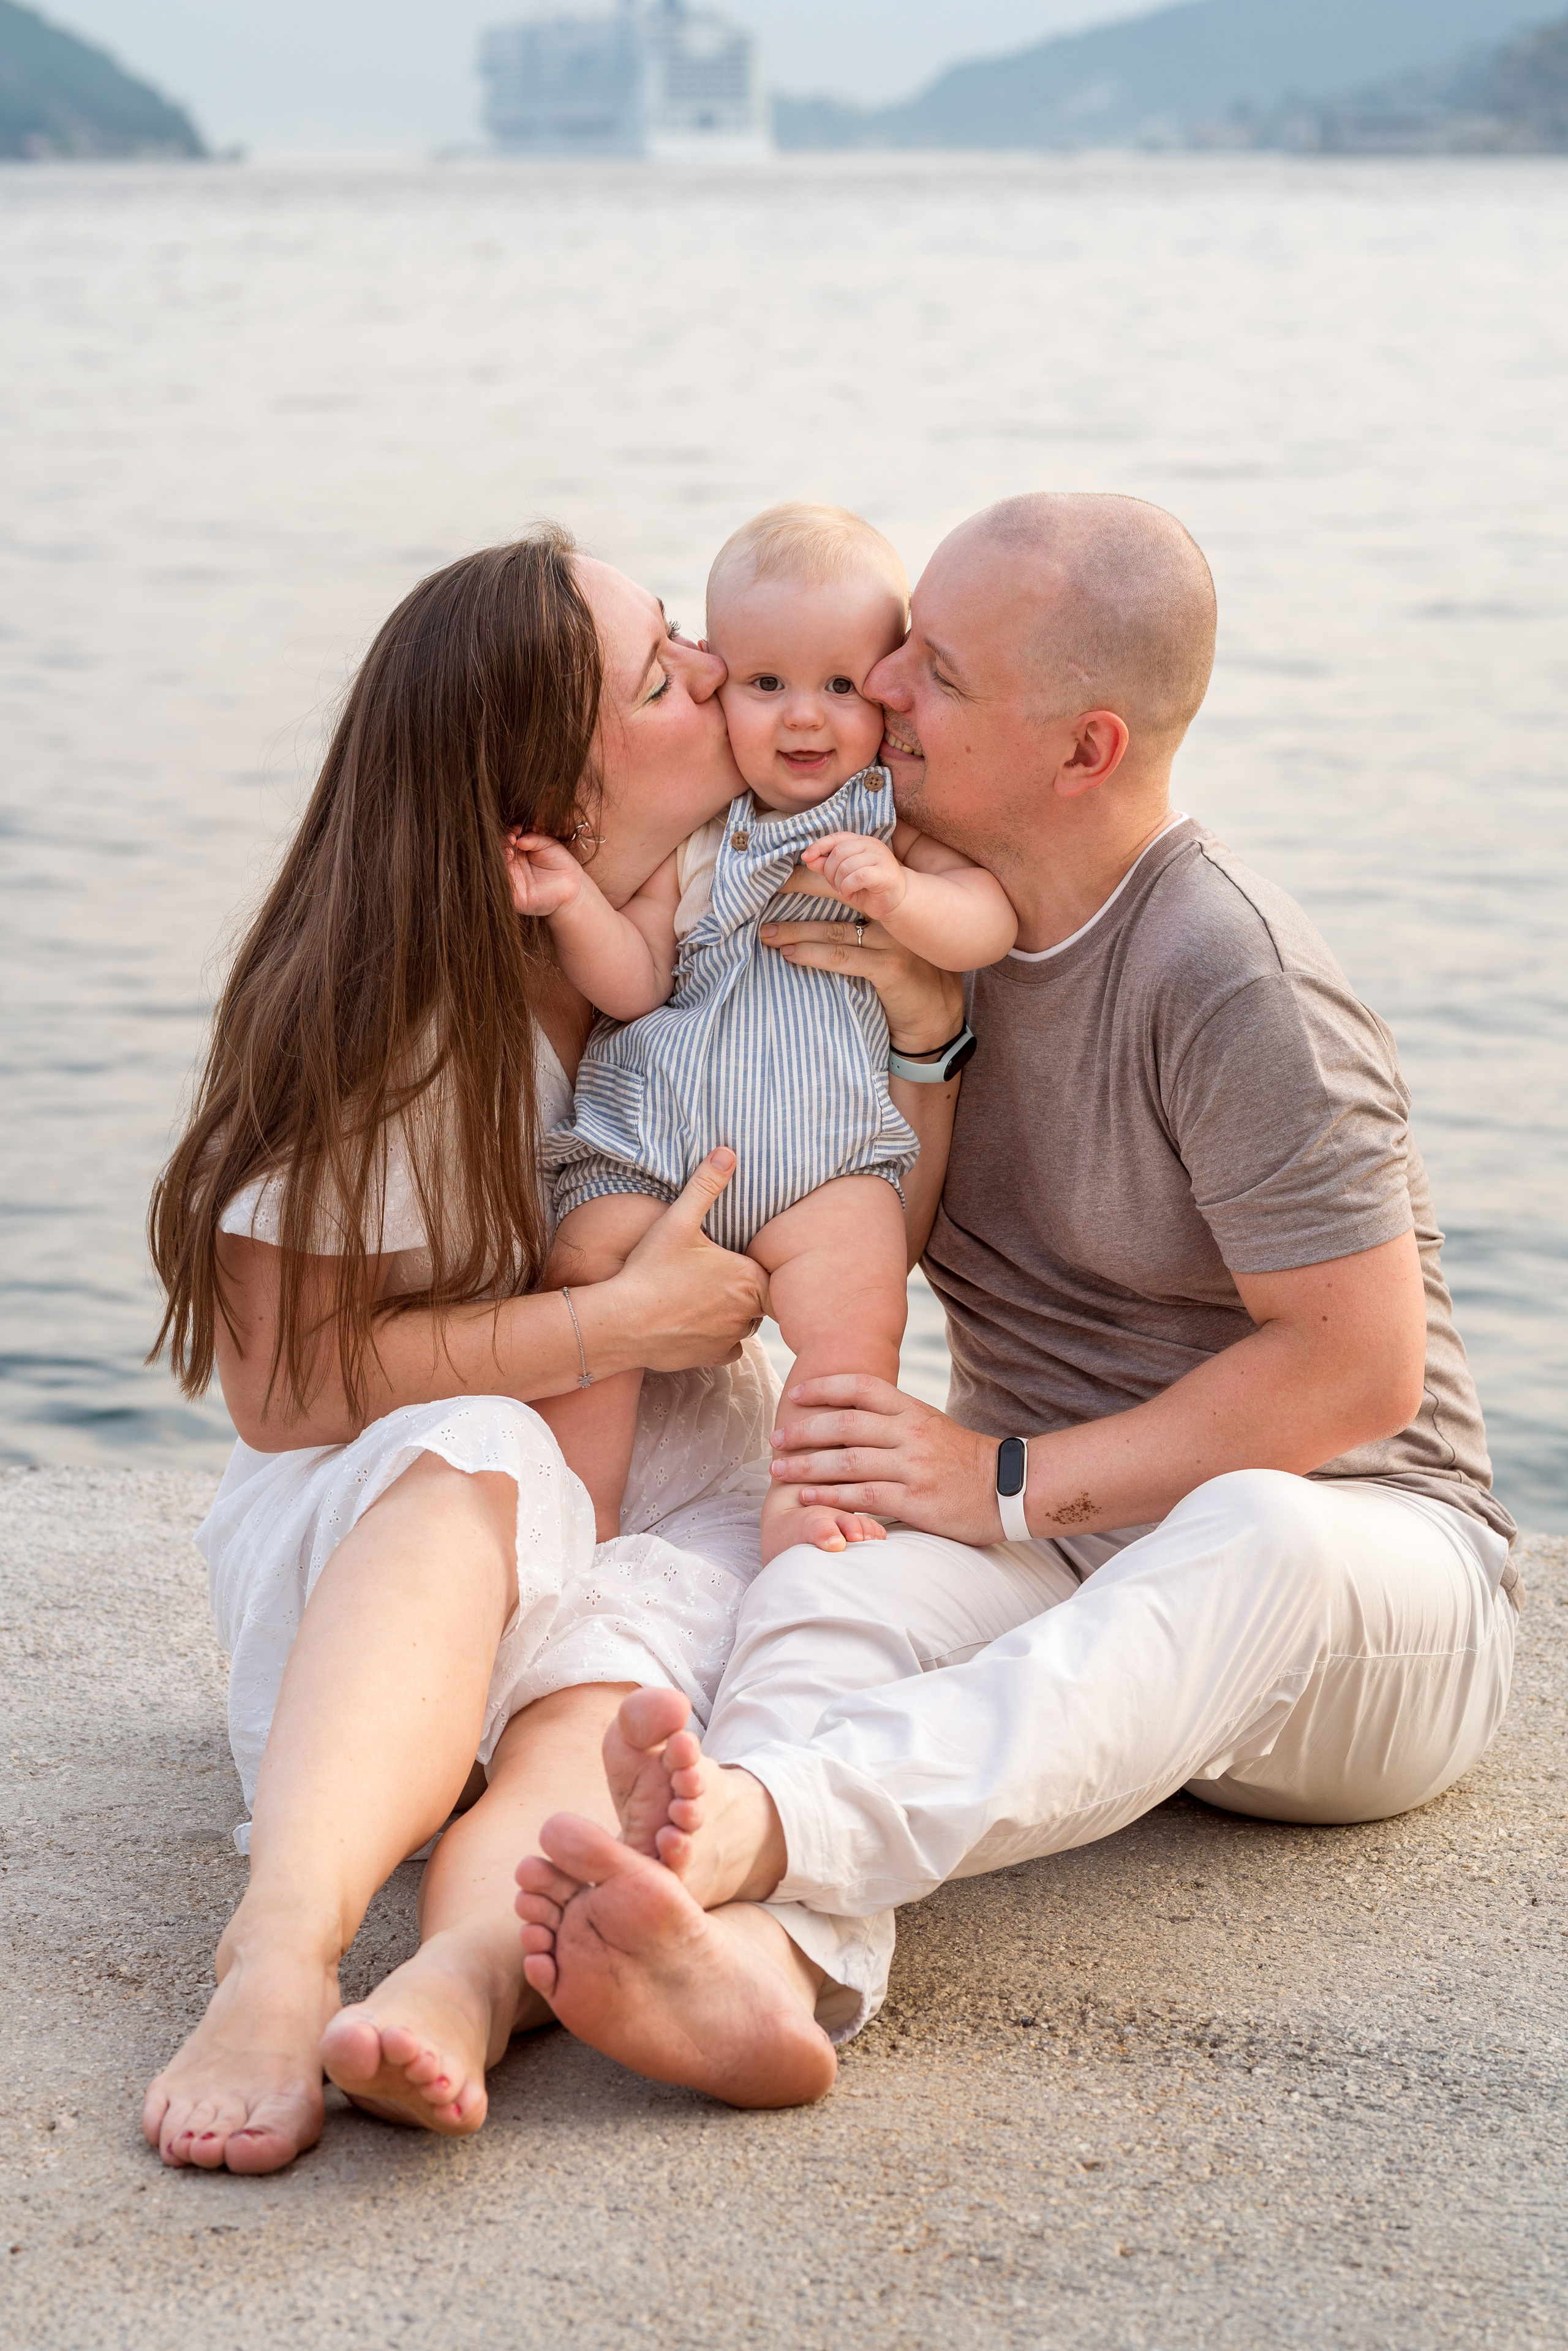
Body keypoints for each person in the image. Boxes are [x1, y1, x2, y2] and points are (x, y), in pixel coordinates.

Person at [512, 492, 1521, 2110]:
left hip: (1360, 1580)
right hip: (1071, 1539)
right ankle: (770, 1973)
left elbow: (1360, 1371)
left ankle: (757, 1827)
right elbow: (878, 1233)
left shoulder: (1230, 971)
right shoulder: (916, 912)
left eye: (942, 670)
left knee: (1247, 1528)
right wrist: (918, 1039)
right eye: (903, 641)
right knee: (831, 1590)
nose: (887, 684)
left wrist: (999, 1477)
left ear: (1084, 747)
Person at [139, 526, 964, 2168]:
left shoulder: (716, 935)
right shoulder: (405, 1012)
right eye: (665, 671)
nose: (718, 678)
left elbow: (868, 1204)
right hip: (387, 1544)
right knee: (496, 1447)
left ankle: (462, 1979)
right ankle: (283, 1951)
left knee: (670, 1641)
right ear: (554, 810)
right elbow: (282, 1387)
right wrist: (609, 1320)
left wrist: (928, 1035)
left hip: (630, 1486)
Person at [518, 504, 1015, 1561]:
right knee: (588, 1254)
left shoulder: (892, 821)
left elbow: (985, 923)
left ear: (885, 689)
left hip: (819, 1155)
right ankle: (578, 1502)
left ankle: (813, 1492)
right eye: (767, 684)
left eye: (841, 686)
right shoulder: (696, 831)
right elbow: (639, 979)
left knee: (857, 1306)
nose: (805, 719)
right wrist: (573, 906)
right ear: (719, 680)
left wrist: (898, 897)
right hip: (657, 1144)